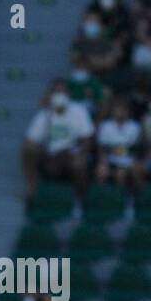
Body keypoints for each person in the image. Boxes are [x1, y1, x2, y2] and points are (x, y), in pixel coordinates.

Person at [22, 81, 94, 212]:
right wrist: (40, 149)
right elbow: (30, 140)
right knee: (29, 150)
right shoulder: (45, 114)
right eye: (56, 92)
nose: (60, 95)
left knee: (79, 163)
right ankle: (32, 190)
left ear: (69, 94)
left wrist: (80, 153)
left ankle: (81, 199)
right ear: (51, 95)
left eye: (63, 92)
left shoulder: (78, 111)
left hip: (71, 155)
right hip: (51, 156)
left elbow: (88, 138)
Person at [94, 96, 143, 195]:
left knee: (122, 174)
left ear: (127, 111)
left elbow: (134, 149)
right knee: (101, 171)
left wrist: (115, 150)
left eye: (122, 109)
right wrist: (103, 162)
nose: (120, 112)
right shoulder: (106, 126)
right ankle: (102, 198)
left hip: (129, 161)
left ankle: (128, 200)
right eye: (117, 109)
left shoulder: (134, 127)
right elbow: (103, 148)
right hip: (110, 160)